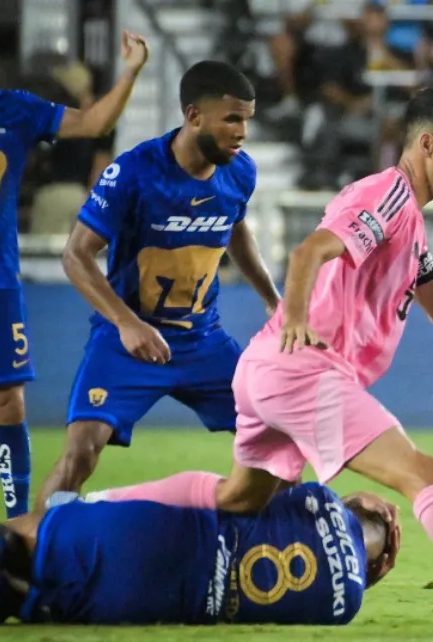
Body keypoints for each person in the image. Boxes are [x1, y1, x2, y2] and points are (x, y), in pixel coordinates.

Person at [66, 87, 433, 635]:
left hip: (264, 371)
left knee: (239, 499)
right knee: (425, 474)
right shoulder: (389, 194)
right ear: (427, 144)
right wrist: (295, 317)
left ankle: (94, 505)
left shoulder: (408, 223)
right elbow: (309, 251)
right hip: (302, 370)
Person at [0, 5, 149, 557]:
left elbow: (93, 124)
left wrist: (131, 71)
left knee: (8, 404)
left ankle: (21, 521)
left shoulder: (15, 109)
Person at [33, 61, 280, 507]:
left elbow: (235, 228)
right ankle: (35, 544)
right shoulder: (134, 172)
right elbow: (76, 255)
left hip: (202, 341)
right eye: (232, 119)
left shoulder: (240, 171)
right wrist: (127, 323)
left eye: (247, 120)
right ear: (193, 116)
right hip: (127, 340)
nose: (242, 132)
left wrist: (272, 298)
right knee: (80, 453)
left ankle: (279, 541)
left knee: (278, 445)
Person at [0, 482, 401, 626]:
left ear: (358, 509)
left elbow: (264, 489)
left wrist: (351, 498)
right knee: (36, 601)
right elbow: (348, 570)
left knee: (14, 535)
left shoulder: (321, 499)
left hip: (171, 534)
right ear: (378, 563)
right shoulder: (346, 606)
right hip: (161, 604)